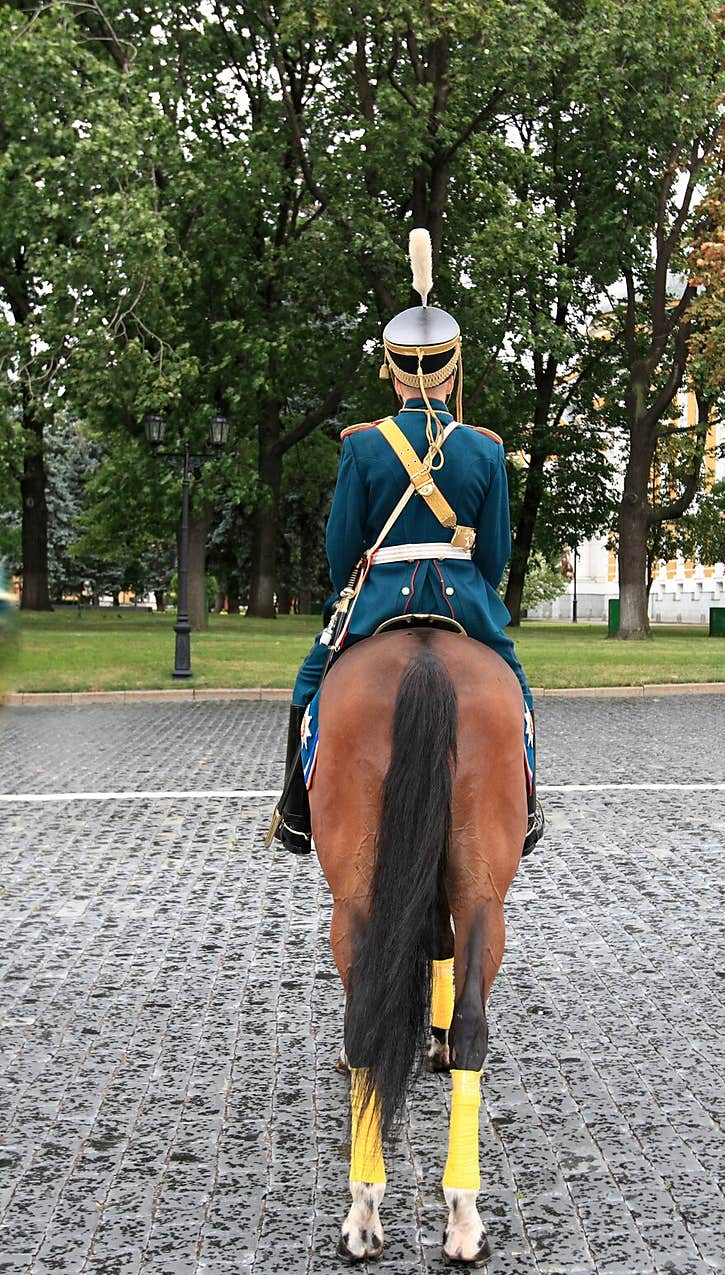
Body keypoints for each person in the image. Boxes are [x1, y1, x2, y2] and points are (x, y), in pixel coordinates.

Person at [273, 229, 544, 859]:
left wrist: (349, 590)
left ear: (393, 371)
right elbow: (495, 554)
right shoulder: (485, 448)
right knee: (517, 688)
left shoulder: (363, 445)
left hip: (377, 598)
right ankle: (526, 806)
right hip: (462, 602)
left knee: (311, 680)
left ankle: (294, 812)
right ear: (453, 370)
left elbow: (342, 546)